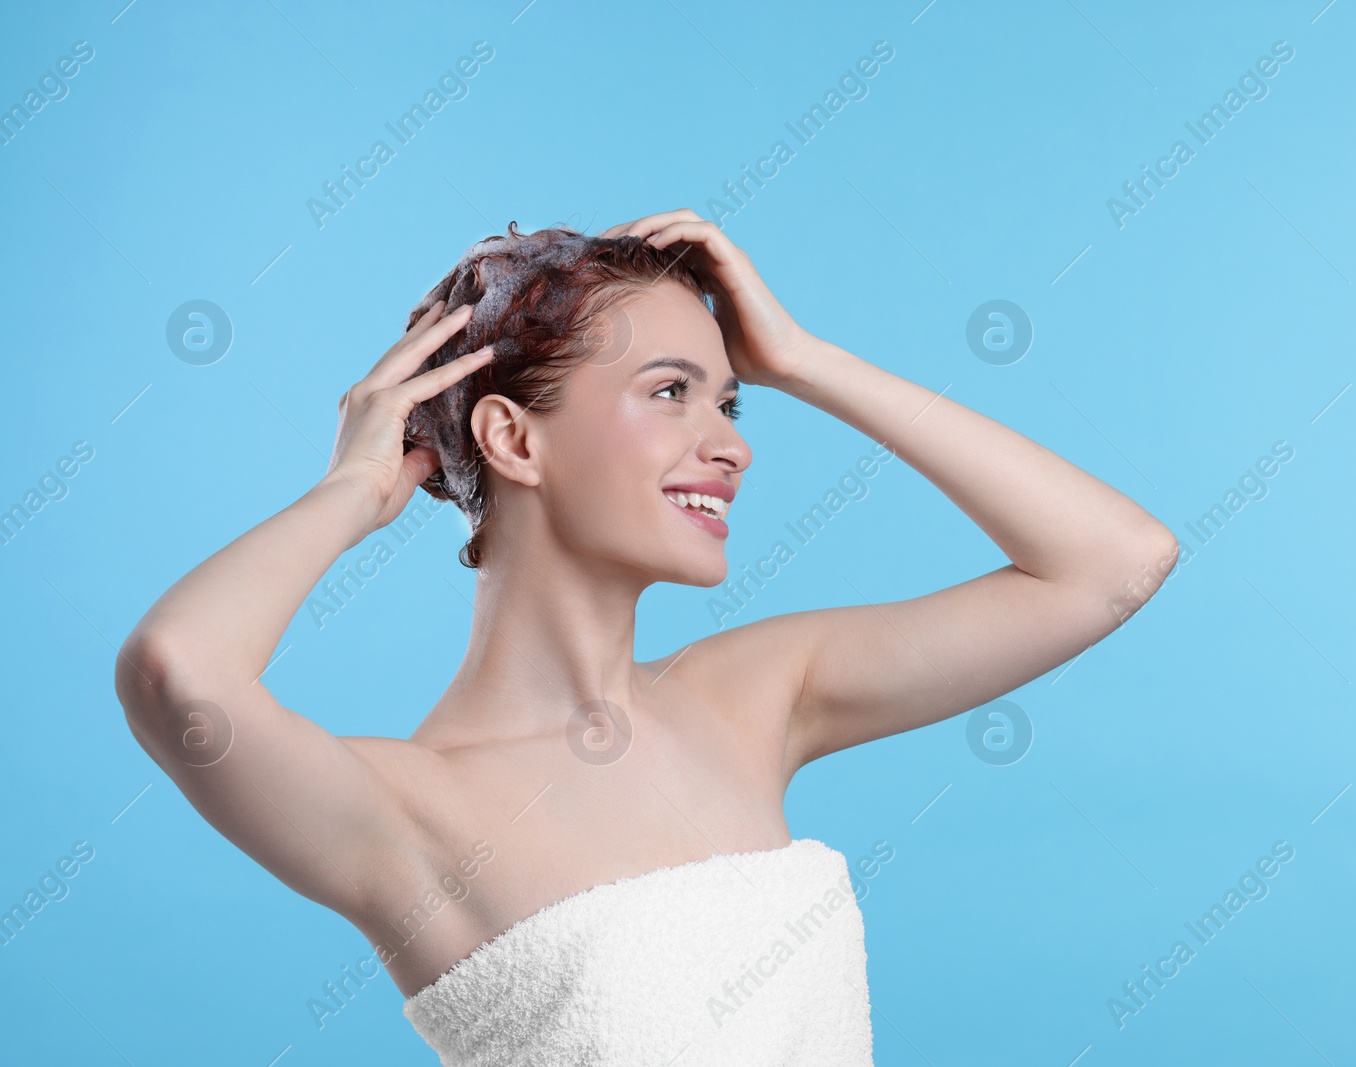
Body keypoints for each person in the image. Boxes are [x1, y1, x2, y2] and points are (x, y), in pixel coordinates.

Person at [114, 208, 1179, 1065]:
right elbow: (177, 672)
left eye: (732, 403)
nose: (730, 447)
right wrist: (351, 490)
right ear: (514, 436)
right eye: (670, 392)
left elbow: (1113, 560)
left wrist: (805, 360)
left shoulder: (751, 697)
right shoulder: (409, 813)